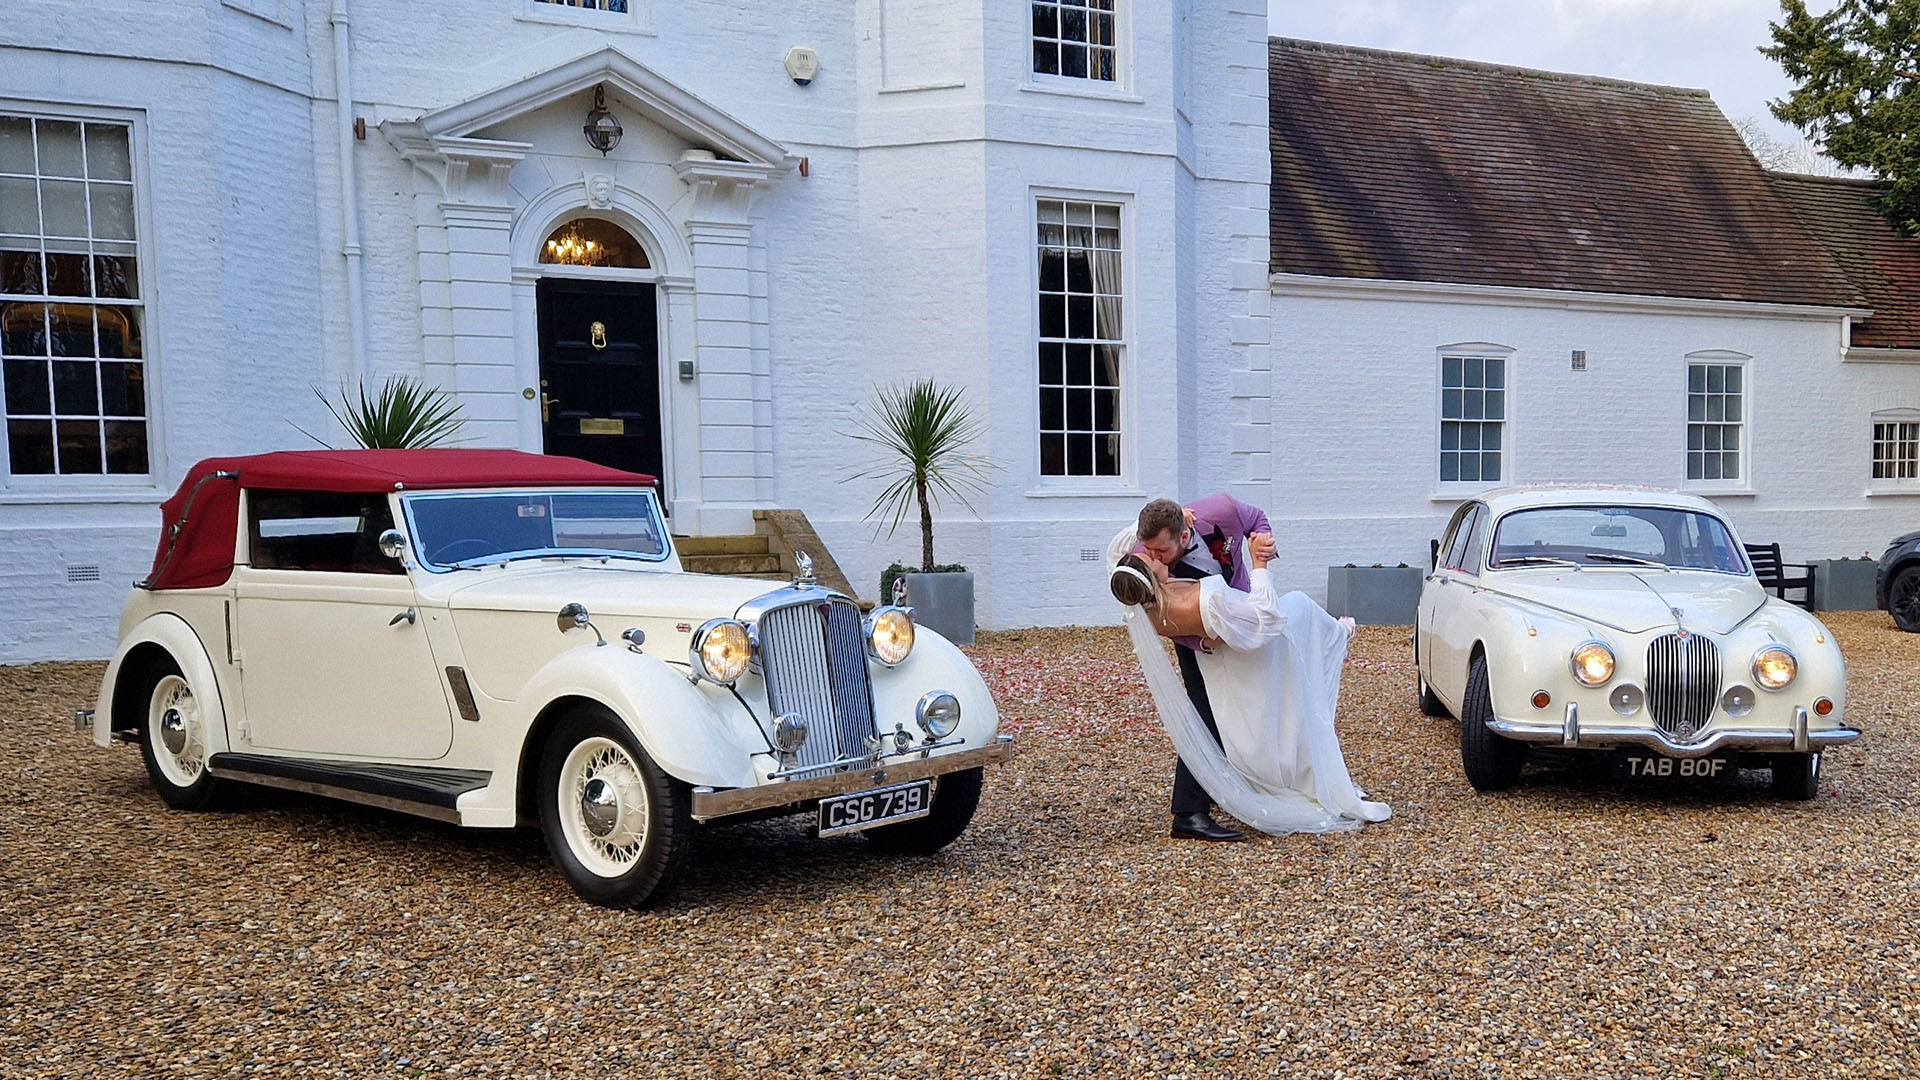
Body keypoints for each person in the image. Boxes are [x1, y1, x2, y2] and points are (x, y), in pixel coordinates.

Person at [1109, 520, 1389, 837]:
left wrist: (1154, 522)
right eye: (1150, 556)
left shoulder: (1142, 601)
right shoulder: (1197, 602)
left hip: (1222, 656)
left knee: (1219, 719)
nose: (1153, 554)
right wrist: (1260, 565)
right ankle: (1190, 812)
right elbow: (1265, 621)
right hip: (1253, 645)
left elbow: (1116, 550)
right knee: (1297, 618)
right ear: (1151, 578)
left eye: (1153, 549)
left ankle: (1201, 801)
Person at [1132, 495, 1273, 842]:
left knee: (1246, 707)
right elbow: (1161, 619)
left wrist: (1265, 545)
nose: (1154, 557)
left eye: (1161, 551)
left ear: (1183, 535)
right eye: (1149, 549)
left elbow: (1257, 517)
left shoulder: (1221, 510)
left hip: (1241, 617)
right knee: (1204, 714)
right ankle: (1189, 813)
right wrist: (1205, 643)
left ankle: (1235, 785)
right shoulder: (1145, 556)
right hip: (1193, 638)